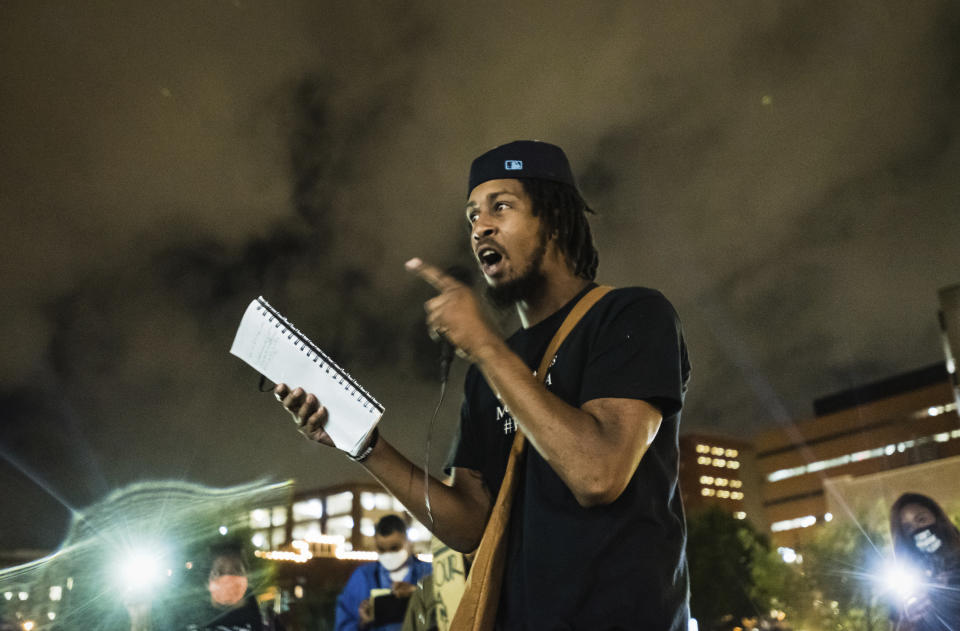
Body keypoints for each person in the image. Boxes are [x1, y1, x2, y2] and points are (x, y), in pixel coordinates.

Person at [276, 140, 691, 629]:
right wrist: (364, 445)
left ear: (554, 218)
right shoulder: (486, 373)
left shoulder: (631, 315)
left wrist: (486, 347)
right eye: (472, 215)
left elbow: (599, 474)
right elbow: (472, 524)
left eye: (502, 206)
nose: (481, 227)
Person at [335, 514, 432, 631]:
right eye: (382, 549)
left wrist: (418, 593)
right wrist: (362, 622)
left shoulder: (428, 572)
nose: (388, 554)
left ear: (409, 542)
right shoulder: (362, 577)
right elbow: (343, 623)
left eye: (394, 548)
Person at [889, 492, 960, 630]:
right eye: (908, 528)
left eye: (921, 520)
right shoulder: (906, 586)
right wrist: (907, 622)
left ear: (938, 519)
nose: (917, 529)